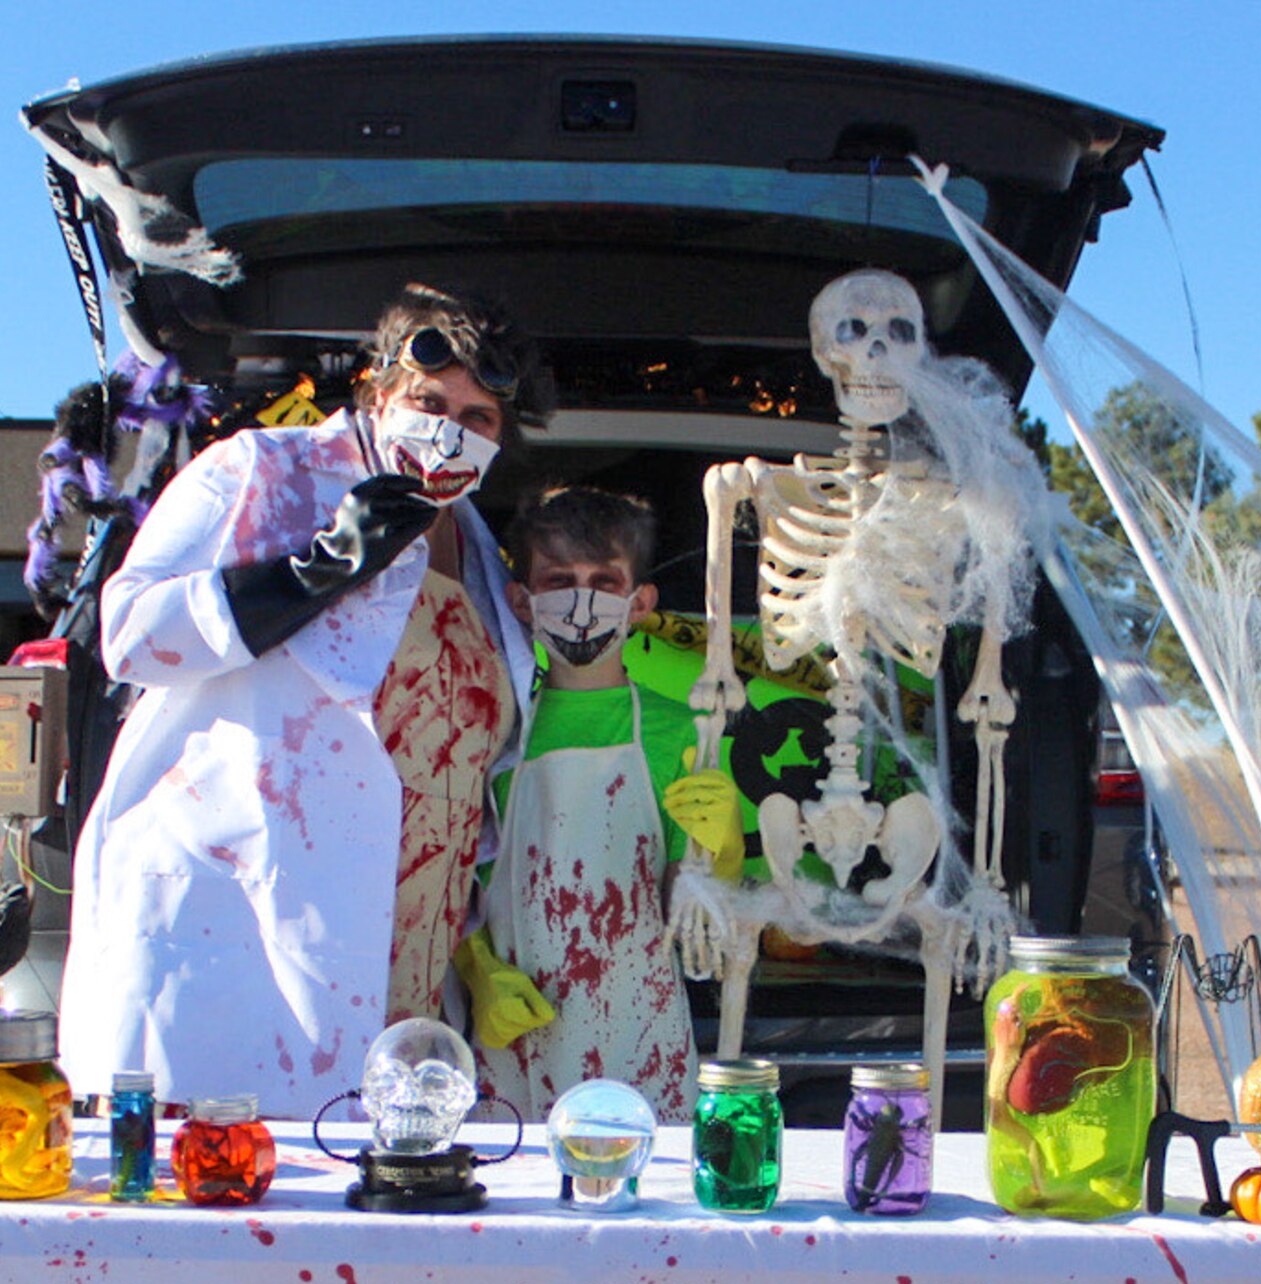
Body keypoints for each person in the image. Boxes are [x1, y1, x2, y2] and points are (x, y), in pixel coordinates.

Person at [59, 284, 551, 1110]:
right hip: (251, 911)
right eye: (429, 402)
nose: (448, 431)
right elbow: (131, 633)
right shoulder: (261, 472)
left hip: (413, 940)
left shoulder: (478, 547)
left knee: (377, 1183)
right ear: (377, 391)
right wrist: (308, 574)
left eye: (478, 419)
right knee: (241, 1177)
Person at [458, 486, 746, 1122]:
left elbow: (694, 912)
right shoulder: (491, 728)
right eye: (559, 580)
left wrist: (723, 850)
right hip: (515, 1029)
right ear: (522, 601)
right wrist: (479, 975)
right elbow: (451, 887)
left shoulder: (680, 730)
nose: (581, 599)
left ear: (639, 602)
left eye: (603, 581)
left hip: (638, 1025)